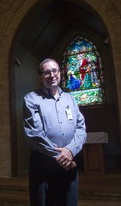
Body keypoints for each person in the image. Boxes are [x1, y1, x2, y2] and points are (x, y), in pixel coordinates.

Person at [23, 58, 87, 206]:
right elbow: (34, 134)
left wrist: (70, 151)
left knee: (69, 202)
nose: (52, 75)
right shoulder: (31, 99)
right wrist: (62, 156)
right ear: (40, 76)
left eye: (55, 71)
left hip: (69, 163)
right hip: (44, 164)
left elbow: (81, 127)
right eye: (47, 72)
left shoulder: (70, 99)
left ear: (60, 73)